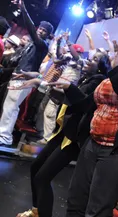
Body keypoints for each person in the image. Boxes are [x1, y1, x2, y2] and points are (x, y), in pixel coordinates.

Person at [63, 40, 118, 217]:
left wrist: (117, 68)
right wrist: (66, 91)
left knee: (98, 207)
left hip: (115, 150)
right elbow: (89, 104)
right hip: (92, 143)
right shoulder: (110, 78)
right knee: (76, 199)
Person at [13, 51, 108, 217]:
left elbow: (81, 104)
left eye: (94, 59)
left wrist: (41, 83)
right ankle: (37, 211)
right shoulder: (86, 78)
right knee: (36, 168)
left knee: (42, 177)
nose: (87, 61)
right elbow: (65, 97)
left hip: (74, 138)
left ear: (101, 66)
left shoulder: (98, 81)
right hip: (64, 130)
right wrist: (38, 82)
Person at [0, 0, 53, 147]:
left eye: (44, 31)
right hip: (18, 77)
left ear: (48, 35)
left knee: (11, 107)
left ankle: (5, 137)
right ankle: (3, 134)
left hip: (24, 80)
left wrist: (24, 10)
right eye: (40, 29)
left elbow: (31, 30)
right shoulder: (31, 44)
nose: (40, 31)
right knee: (8, 107)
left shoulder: (42, 45)